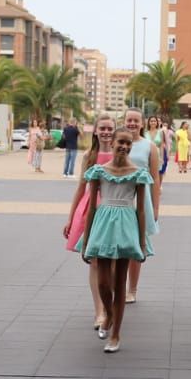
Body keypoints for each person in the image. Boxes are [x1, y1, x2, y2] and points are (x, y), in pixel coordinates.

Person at [78, 130, 151, 353]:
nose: (125, 146)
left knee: (120, 282)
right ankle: (108, 314)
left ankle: (116, 333)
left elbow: (140, 211)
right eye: (121, 142)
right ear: (113, 142)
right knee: (103, 283)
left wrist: (141, 242)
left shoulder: (138, 173)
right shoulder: (98, 172)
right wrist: (86, 239)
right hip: (103, 224)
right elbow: (91, 207)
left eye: (129, 143)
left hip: (126, 225)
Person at [64, 115, 118, 335]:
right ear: (95, 131)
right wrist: (70, 217)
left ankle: (112, 306)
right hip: (91, 210)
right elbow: (81, 187)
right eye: (102, 128)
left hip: (114, 210)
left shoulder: (120, 154)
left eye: (109, 128)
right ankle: (100, 311)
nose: (105, 132)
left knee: (113, 262)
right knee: (95, 261)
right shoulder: (89, 155)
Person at [122, 109, 162, 302]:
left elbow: (155, 178)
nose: (132, 123)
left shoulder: (149, 146)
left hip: (141, 200)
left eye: (136, 120)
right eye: (129, 120)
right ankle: (118, 286)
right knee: (118, 243)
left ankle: (132, 289)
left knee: (136, 245)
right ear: (123, 121)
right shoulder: (118, 143)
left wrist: (155, 207)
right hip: (120, 197)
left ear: (142, 123)